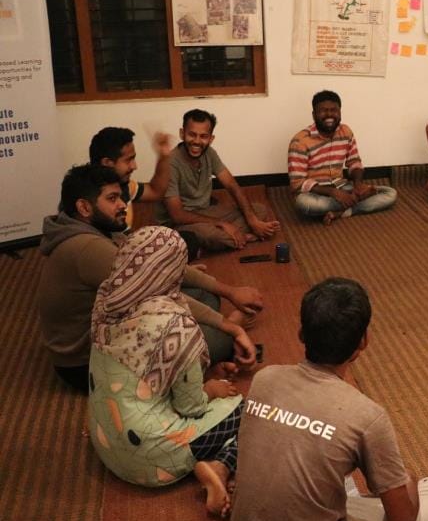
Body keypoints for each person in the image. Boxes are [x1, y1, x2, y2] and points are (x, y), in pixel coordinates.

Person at [231, 278, 428, 521]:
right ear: (363, 341)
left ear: (301, 333)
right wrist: (409, 479)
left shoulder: (263, 379)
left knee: (319, 485)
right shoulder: (366, 415)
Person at [38, 165, 262, 392]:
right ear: (84, 207)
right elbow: (158, 296)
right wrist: (232, 328)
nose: (122, 205)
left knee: (206, 294)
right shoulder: (88, 248)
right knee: (220, 338)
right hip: (89, 366)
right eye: (112, 199)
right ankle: (206, 356)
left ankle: (201, 349)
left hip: (115, 327)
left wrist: (229, 291)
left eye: (120, 197)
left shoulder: (98, 228)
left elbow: (156, 267)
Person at [88, 226, 245, 517]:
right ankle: (220, 465)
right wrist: (211, 390)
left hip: (107, 443)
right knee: (250, 413)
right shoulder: (175, 325)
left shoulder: (105, 301)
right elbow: (191, 407)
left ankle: (218, 461)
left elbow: (148, 373)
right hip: (150, 458)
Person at [159, 108, 281, 252]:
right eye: (192, 134)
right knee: (214, 236)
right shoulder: (169, 163)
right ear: (182, 133)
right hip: (178, 224)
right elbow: (177, 215)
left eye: (203, 136)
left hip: (205, 212)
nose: (197, 141)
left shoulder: (209, 154)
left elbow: (232, 185)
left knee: (258, 210)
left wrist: (252, 220)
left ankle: (232, 237)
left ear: (211, 139)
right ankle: (240, 237)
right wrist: (222, 223)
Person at [288, 90, 399, 225]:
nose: (329, 114)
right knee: (304, 204)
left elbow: (354, 162)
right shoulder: (300, 141)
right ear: (314, 114)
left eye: (334, 110)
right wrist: (333, 192)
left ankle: (343, 211)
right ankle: (354, 203)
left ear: (340, 112)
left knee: (390, 193)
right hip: (316, 193)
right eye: (323, 111)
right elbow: (297, 183)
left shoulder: (346, 132)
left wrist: (358, 185)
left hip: (343, 187)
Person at [89, 126, 174, 230]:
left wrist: (164, 156)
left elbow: (155, 191)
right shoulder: (89, 196)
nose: (134, 166)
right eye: (128, 160)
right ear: (107, 163)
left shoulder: (126, 186)